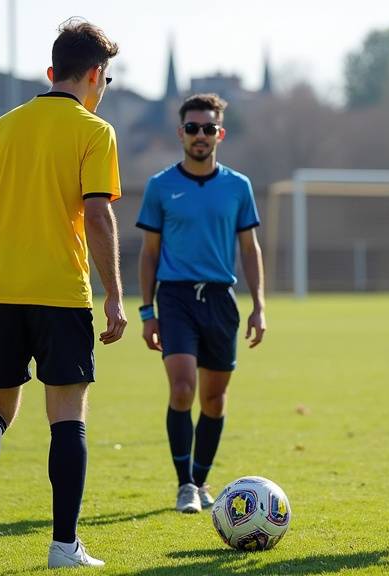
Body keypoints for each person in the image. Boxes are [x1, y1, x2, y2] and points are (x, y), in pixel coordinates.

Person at [0, 19, 126, 570]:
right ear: (95, 74)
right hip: (61, 294)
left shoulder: (2, 127)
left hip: (1, 291)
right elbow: (97, 215)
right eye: (106, 80)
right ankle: (63, 546)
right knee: (67, 416)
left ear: (53, 71)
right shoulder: (94, 131)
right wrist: (115, 294)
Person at [136, 93, 266, 514]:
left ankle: (200, 478)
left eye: (208, 128)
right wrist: (147, 312)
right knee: (182, 388)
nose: (200, 135)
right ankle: (184, 486)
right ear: (181, 133)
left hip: (220, 300)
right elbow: (148, 254)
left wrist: (259, 305)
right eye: (192, 128)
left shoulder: (238, 186)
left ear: (219, 134)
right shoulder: (160, 186)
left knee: (214, 400)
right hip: (175, 298)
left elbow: (249, 249)